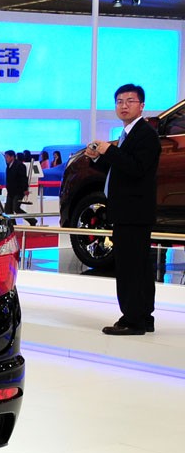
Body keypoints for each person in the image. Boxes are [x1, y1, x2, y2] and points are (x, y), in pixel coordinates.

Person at [84, 83, 161, 335]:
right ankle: (143, 316)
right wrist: (98, 158)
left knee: (130, 267)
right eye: (119, 101)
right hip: (129, 211)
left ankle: (132, 320)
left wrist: (110, 150)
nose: (124, 106)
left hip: (134, 211)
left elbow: (136, 168)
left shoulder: (145, 134)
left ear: (142, 105)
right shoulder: (128, 134)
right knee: (138, 266)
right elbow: (118, 170)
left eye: (130, 101)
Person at [3, 149, 36, 225]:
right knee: (8, 209)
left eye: (7, 157)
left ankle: (32, 220)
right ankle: (12, 224)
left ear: (12, 157)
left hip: (18, 191)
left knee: (16, 208)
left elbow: (23, 178)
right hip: (10, 191)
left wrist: (25, 189)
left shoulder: (20, 165)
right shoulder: (8, 166)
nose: (6, 159)